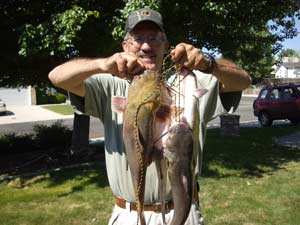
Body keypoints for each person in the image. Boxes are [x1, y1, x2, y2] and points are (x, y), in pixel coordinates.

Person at [48, 7, 252, 225]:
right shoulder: (109, 84)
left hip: (182, 211)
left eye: (154, 38)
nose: (146, 46)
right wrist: (102, 64)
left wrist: (208, 64)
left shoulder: (190, 80)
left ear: (166, 45)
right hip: (129, 214)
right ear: (125, 46)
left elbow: (243, 81)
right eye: (137, 39)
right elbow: (57, 77)